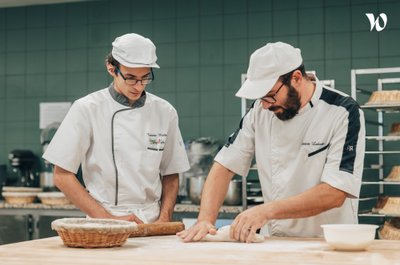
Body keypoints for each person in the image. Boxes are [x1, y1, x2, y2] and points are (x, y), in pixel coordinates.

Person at [178, 42, 365, 242]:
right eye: (260, 98)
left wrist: (266, 211)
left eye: (270, 96)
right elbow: (224, 165)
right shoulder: (259, 112)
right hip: (276, 241)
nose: (265, 106)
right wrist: (205, 219)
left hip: (329, 242)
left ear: (296, 78)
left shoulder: (342, 111)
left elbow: (335, 192)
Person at [43, 33, 190, 224]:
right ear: (111, 69)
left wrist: (164, 218)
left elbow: (171, 172)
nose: (139, 86)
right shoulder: (87, 108)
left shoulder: (164, 111)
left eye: (145, 78)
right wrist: (109, 219)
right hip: (104, 220)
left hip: (152, 221)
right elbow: (62, 176)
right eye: (130, 78)